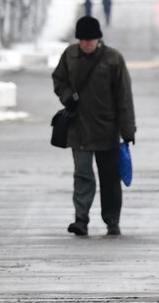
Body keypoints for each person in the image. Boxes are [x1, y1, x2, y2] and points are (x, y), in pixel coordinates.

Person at [52, 16, 136, 236]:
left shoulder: (113, 60)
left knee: (109, 179)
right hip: (78, 128)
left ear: (98, 39)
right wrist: (67, 95)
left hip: (107, 130)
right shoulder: (70, 55)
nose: (86, 44)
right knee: (83, 176)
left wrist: (128, 131)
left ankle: (112, 221)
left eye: (90, 40)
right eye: (82, 40)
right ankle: (81, 219)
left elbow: (124, 98)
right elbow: (59, 80)